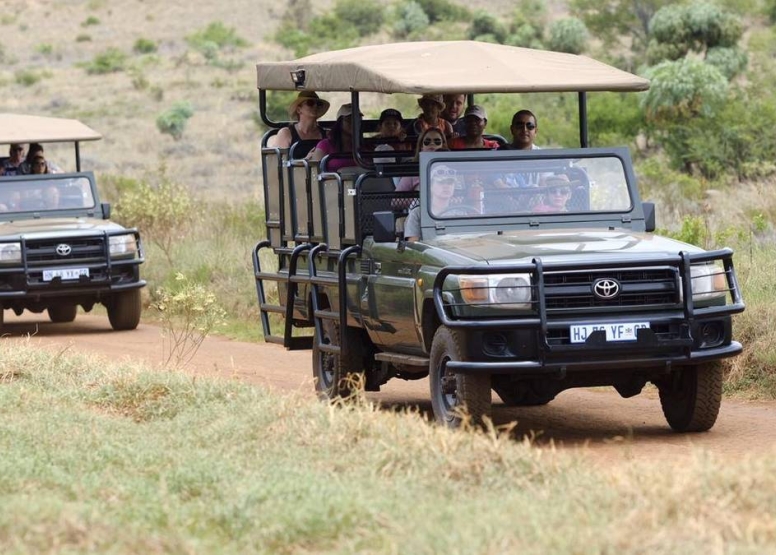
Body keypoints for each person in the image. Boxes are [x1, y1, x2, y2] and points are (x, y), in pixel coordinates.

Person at [405, 164, 469, 241]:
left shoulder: (461, 213)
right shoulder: (417, 213)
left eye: (450, 183)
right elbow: (413, 245)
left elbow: (467, 240)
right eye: (441, 182)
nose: (446, 186)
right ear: (430, 186)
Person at [307, 103, 361, 172]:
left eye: (358, 119)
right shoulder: (325, 145)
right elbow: (315, 173)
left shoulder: (365, 146)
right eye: (349, 119)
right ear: (340, 122)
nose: (354, 123)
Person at [395, 128, 449, 193]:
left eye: (437, 141)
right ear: (421, 146)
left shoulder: (452, 168)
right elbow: (395, 201)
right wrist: (418, 196)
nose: (432, 144)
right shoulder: (412, 170)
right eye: (427, 141)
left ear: (443, 146)